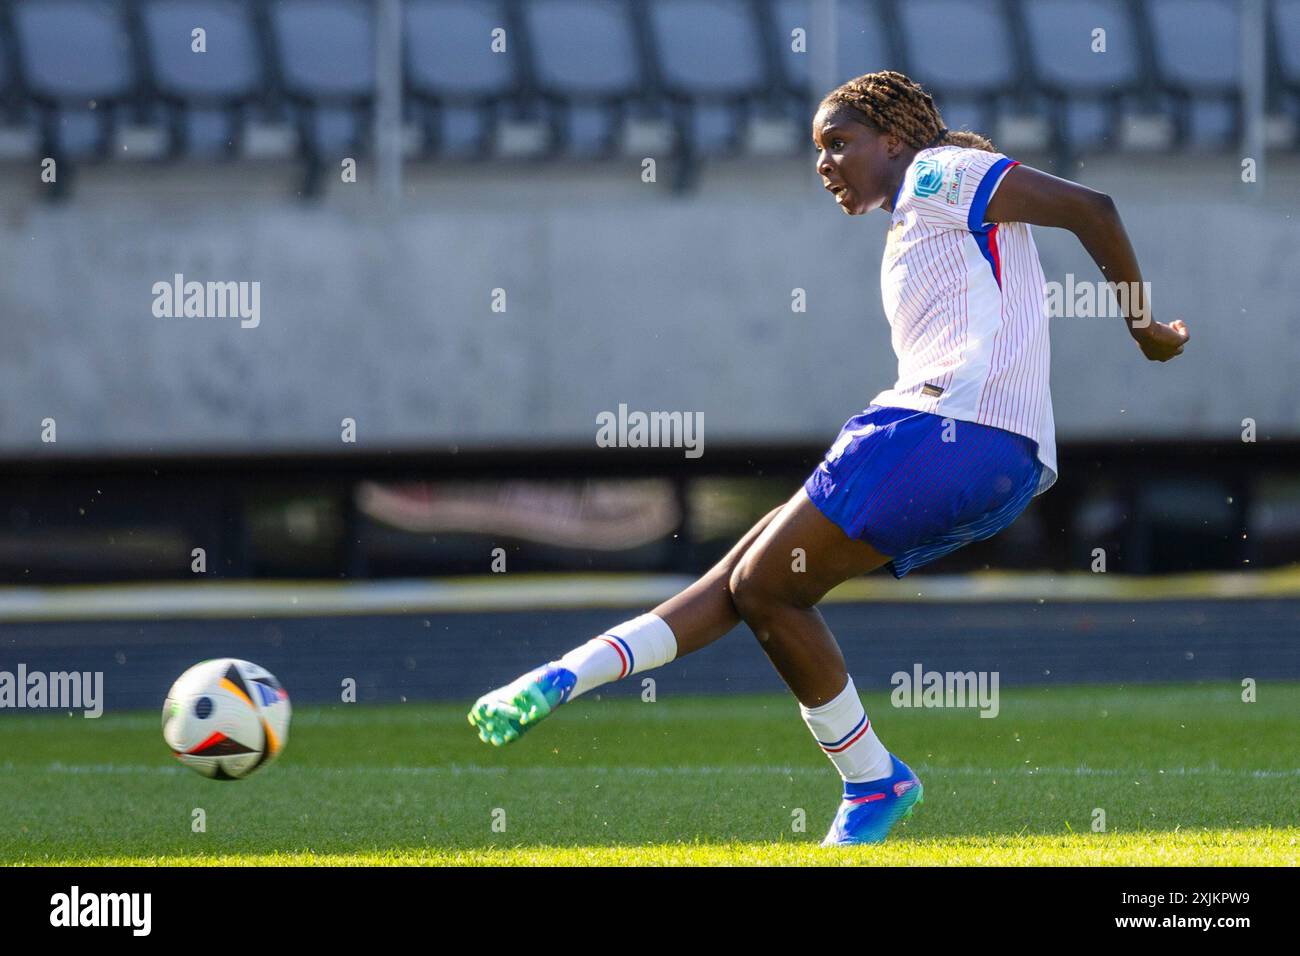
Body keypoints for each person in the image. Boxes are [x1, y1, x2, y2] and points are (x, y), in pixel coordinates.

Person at [467, 71, 1190, 846]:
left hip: (950, 428)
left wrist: (1143, 326)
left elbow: (1093, 208)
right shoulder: (918, 216)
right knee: (747, 584)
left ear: (894, 139)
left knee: (766, 590)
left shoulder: (941, 172)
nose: (825, 163)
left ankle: (874, 780)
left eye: (839, 143)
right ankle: (560, 678)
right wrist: (564, 676)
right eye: (819, 149)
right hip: (984, 450)